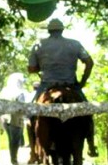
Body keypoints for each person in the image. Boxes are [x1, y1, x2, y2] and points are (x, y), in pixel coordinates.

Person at [27, 18, 99, 157]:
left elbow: (31, 68)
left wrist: (40, 66)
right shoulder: (75, 44)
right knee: (88, 113)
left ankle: (33, 152)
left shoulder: (38, 45)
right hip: (71, 85)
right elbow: (89, 62)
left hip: (47, 86)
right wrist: (82, 81)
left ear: (49, 30)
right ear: (62, 30)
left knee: (31, 115)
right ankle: (91, 146)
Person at [0, 73, 27, 165]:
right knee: (15, 140)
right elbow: (22, 107)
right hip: (16, 119)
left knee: (11, 140)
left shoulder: (4, 91)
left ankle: (13, 158)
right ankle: (14, 159)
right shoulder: (20, 93)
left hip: (5, 119)